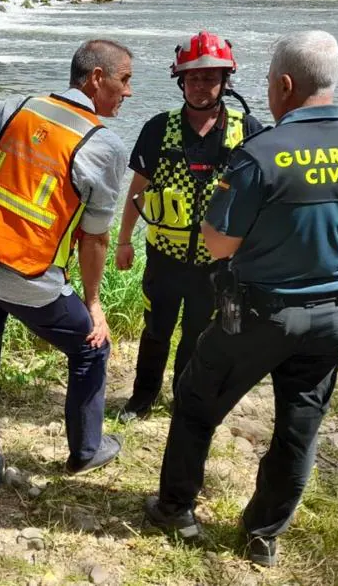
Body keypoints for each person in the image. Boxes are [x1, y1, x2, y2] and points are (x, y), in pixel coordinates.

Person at [144, 31, 338, 567]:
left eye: (268, 83)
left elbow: (218, 241)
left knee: (196, 404)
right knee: (299, 426)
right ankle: (263, 533)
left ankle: (175, 509)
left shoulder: (261, 154)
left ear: (285, 84)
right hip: (335, 314)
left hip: (260, 315)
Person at [0, 39, 133, 504]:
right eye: (124, 81)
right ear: (96, 79)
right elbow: (96, 237)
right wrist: (93, 304)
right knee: (90, 350)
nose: (128, 92)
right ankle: (86, 448)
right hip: (30, 280)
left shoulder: (21, 107)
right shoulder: (103, 145)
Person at [115, 32, 264, 421]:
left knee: (198, 335)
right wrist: (123, 241)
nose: (200, 86)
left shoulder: (247, 130)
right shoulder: (158, 129)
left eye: (210, 78)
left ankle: (184, 395)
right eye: (193, 78)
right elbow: (137, 189)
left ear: (224, 82)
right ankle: (141, 399)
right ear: (180, 81)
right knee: (155, 332)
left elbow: (267, 193)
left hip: (215, 263)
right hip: (164, 257)